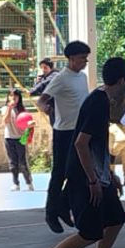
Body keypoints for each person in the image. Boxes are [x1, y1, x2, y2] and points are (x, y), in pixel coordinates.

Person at [19, 58, 125, 248]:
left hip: (96, 172)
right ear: (121, 80)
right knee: (90, 232)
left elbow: (96, 146)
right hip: (84, 174)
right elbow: (81, 144)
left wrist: (108, 174)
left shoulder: (101, 99)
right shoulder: (98, 103)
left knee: (115, 219)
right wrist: (92, 180)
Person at [40, 42, 91, 232]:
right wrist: (45, 108)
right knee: (60, 173)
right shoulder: (61, 78)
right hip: (64, 132)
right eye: (81, 58)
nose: (84, 62)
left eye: (86, 58)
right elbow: (42, 99)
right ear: (71, 59)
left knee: (79, 172)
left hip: (80, 131)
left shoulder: (83, 77)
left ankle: (62, 204)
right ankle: (51, 212)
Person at [2, 89, 34, 191]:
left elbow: (27, 123)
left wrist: (30, 125)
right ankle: (16, 183)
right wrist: (9, 108)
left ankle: (28, 182)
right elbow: (5, 121)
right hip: (9, 138)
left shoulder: (23, 110)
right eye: (11, 96)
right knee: (12, 162)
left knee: (22, 162)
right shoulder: (5, 109)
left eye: (16, 96)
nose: (13, 98)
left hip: (20, 138)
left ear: (19, 98)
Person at [28, 58, 59, 126]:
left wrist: (31, 91)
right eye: (41, 68)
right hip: (51, 107)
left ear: (50, 68)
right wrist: (37, 82)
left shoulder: (55, 75)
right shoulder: (44, 77)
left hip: (58, 106)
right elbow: (39, 88)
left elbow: (44, 84)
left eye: (45, 67)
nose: (43, 70)